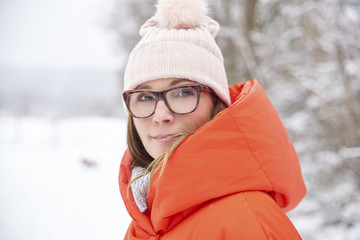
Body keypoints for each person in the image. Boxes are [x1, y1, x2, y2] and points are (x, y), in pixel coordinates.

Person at [118, 0, 306, 239]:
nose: (161, 115)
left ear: (217, 103)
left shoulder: (245, 223)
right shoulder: (147, 217)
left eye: (184, 92)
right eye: (144, 96)